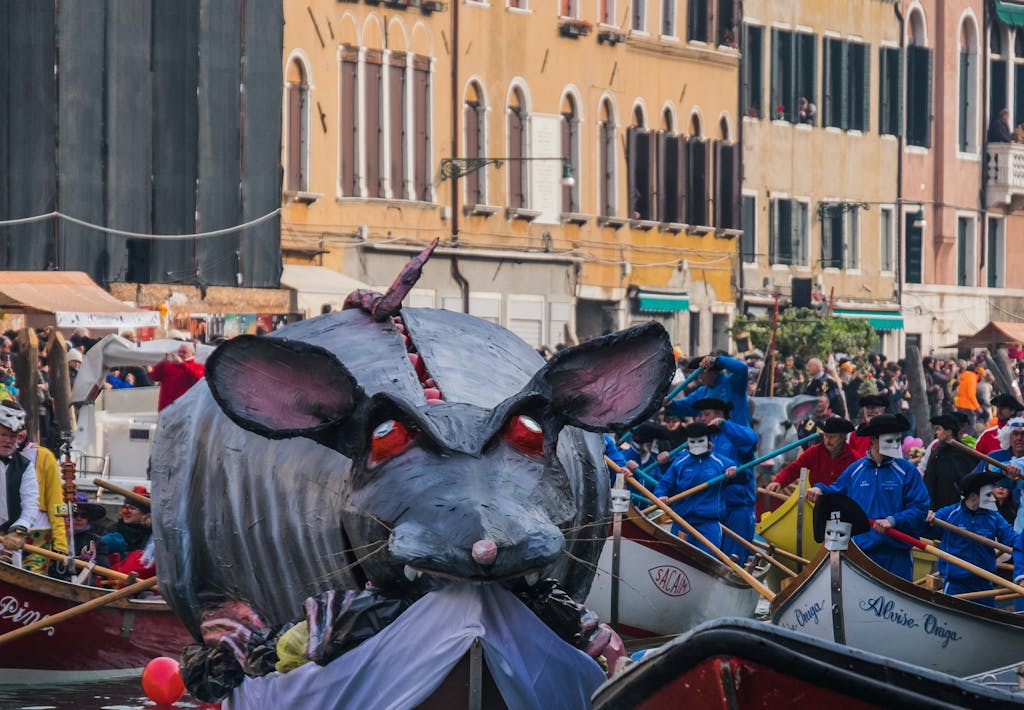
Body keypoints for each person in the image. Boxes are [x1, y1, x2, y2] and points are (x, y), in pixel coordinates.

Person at [806, 413, 930, 580]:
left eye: (898, 440)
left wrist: (893, 520)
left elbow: (921, 508)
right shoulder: (855, 469)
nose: (896, 445)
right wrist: (819, 489)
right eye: (890, 440)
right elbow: (835, 492)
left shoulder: (907, 470)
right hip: (862, 554)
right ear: (873, 440)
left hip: (896, 554)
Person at [929, 471, 1019, 606]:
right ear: (973, 496)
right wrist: (927, 518)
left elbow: (1012, 538)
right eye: (988, 494)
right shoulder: (949, 514)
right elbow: (924, 528)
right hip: (956, 583)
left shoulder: (994, 517)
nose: (993, 499)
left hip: (984, 583)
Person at [654, 422, 737, 557]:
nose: (697, 445)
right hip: (682, 522)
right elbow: (664, 485)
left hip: (708, 524)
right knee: (678, 560)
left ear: (708, 441)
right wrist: (660, 496)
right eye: (693, 442)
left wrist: (736, 474)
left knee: (707, 561)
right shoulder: (679, 463)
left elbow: (744, 479)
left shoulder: (723, 464)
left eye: (700, 441)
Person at [692, 397, 757, 562]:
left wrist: (725, 425)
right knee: (710, 559)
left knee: (733, 561)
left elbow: (752, 439)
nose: (702, 418)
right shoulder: (706, 438)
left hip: (738, 508)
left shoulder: (737, 433)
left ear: (719, 415)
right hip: (713, 509)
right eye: (701, 415)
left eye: (706, 414)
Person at [17, 434, 70, 576]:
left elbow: (57, 503)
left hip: (37, 534)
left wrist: (60, 544)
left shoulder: (44, 456)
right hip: (5, 533)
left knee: (31, 579)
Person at [765, 416, 857, 492]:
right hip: (818, 502)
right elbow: (795, 468)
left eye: (832, 437)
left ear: (842, 437)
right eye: (825, 436)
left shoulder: (854, 458)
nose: (827, 441)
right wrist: (779, 482)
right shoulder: (814, 452)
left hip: (843, 502)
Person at [0, 401, 41, 566]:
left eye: (13, 436)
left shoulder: (24, 466)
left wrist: (19, 530)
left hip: (8, 543)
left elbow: (30, 504)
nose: (8, 440)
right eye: (3, 434)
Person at [666, 354, 751, 428]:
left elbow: (742, 368)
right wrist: (670, 403)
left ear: (713, 372)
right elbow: (686, 406)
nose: (699, 376)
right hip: (715, 438)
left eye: (701, 372)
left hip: (737, 436)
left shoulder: (733, 384)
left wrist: (717, 360)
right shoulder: (702, 392)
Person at [923, 414, 978, 510]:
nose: (936, 432)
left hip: (962, 506)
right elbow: (929, 480)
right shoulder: (937, 453)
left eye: (939, 429)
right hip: (940, 506)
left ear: (949, 432)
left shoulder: (966, 453)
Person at [149, 342, 205, 411]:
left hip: (186, 409)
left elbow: (198, 379)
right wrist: (162, 363)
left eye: (184, 352)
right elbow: (154, 377)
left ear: (193, 354)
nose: (181, 354)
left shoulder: (199, 367)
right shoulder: (169, 365)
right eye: (179, 352)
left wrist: (182, 364)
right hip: (166, 408)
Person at [70, 492, 110, 585]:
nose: (79, 518)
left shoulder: (98, 541)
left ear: (88, 518)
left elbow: (103, 570)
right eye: (74, 514)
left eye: (84, 515)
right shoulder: (56, 538)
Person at [848, 394, 887, 458]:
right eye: (867, 408)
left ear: (882, 410)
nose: (870, 411)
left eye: (873, 407)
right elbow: (850, 457)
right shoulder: (855, 433)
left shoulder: (889, 431)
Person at [954, 364, 982, 436]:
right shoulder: (972, 378)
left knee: (962, 428)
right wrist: (978, 407)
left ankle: (959, 441)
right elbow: (971, 394)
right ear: (978, 374)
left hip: (959, 405)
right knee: (970, 428)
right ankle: (966, 442)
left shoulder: (964, 376)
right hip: (967, 406)